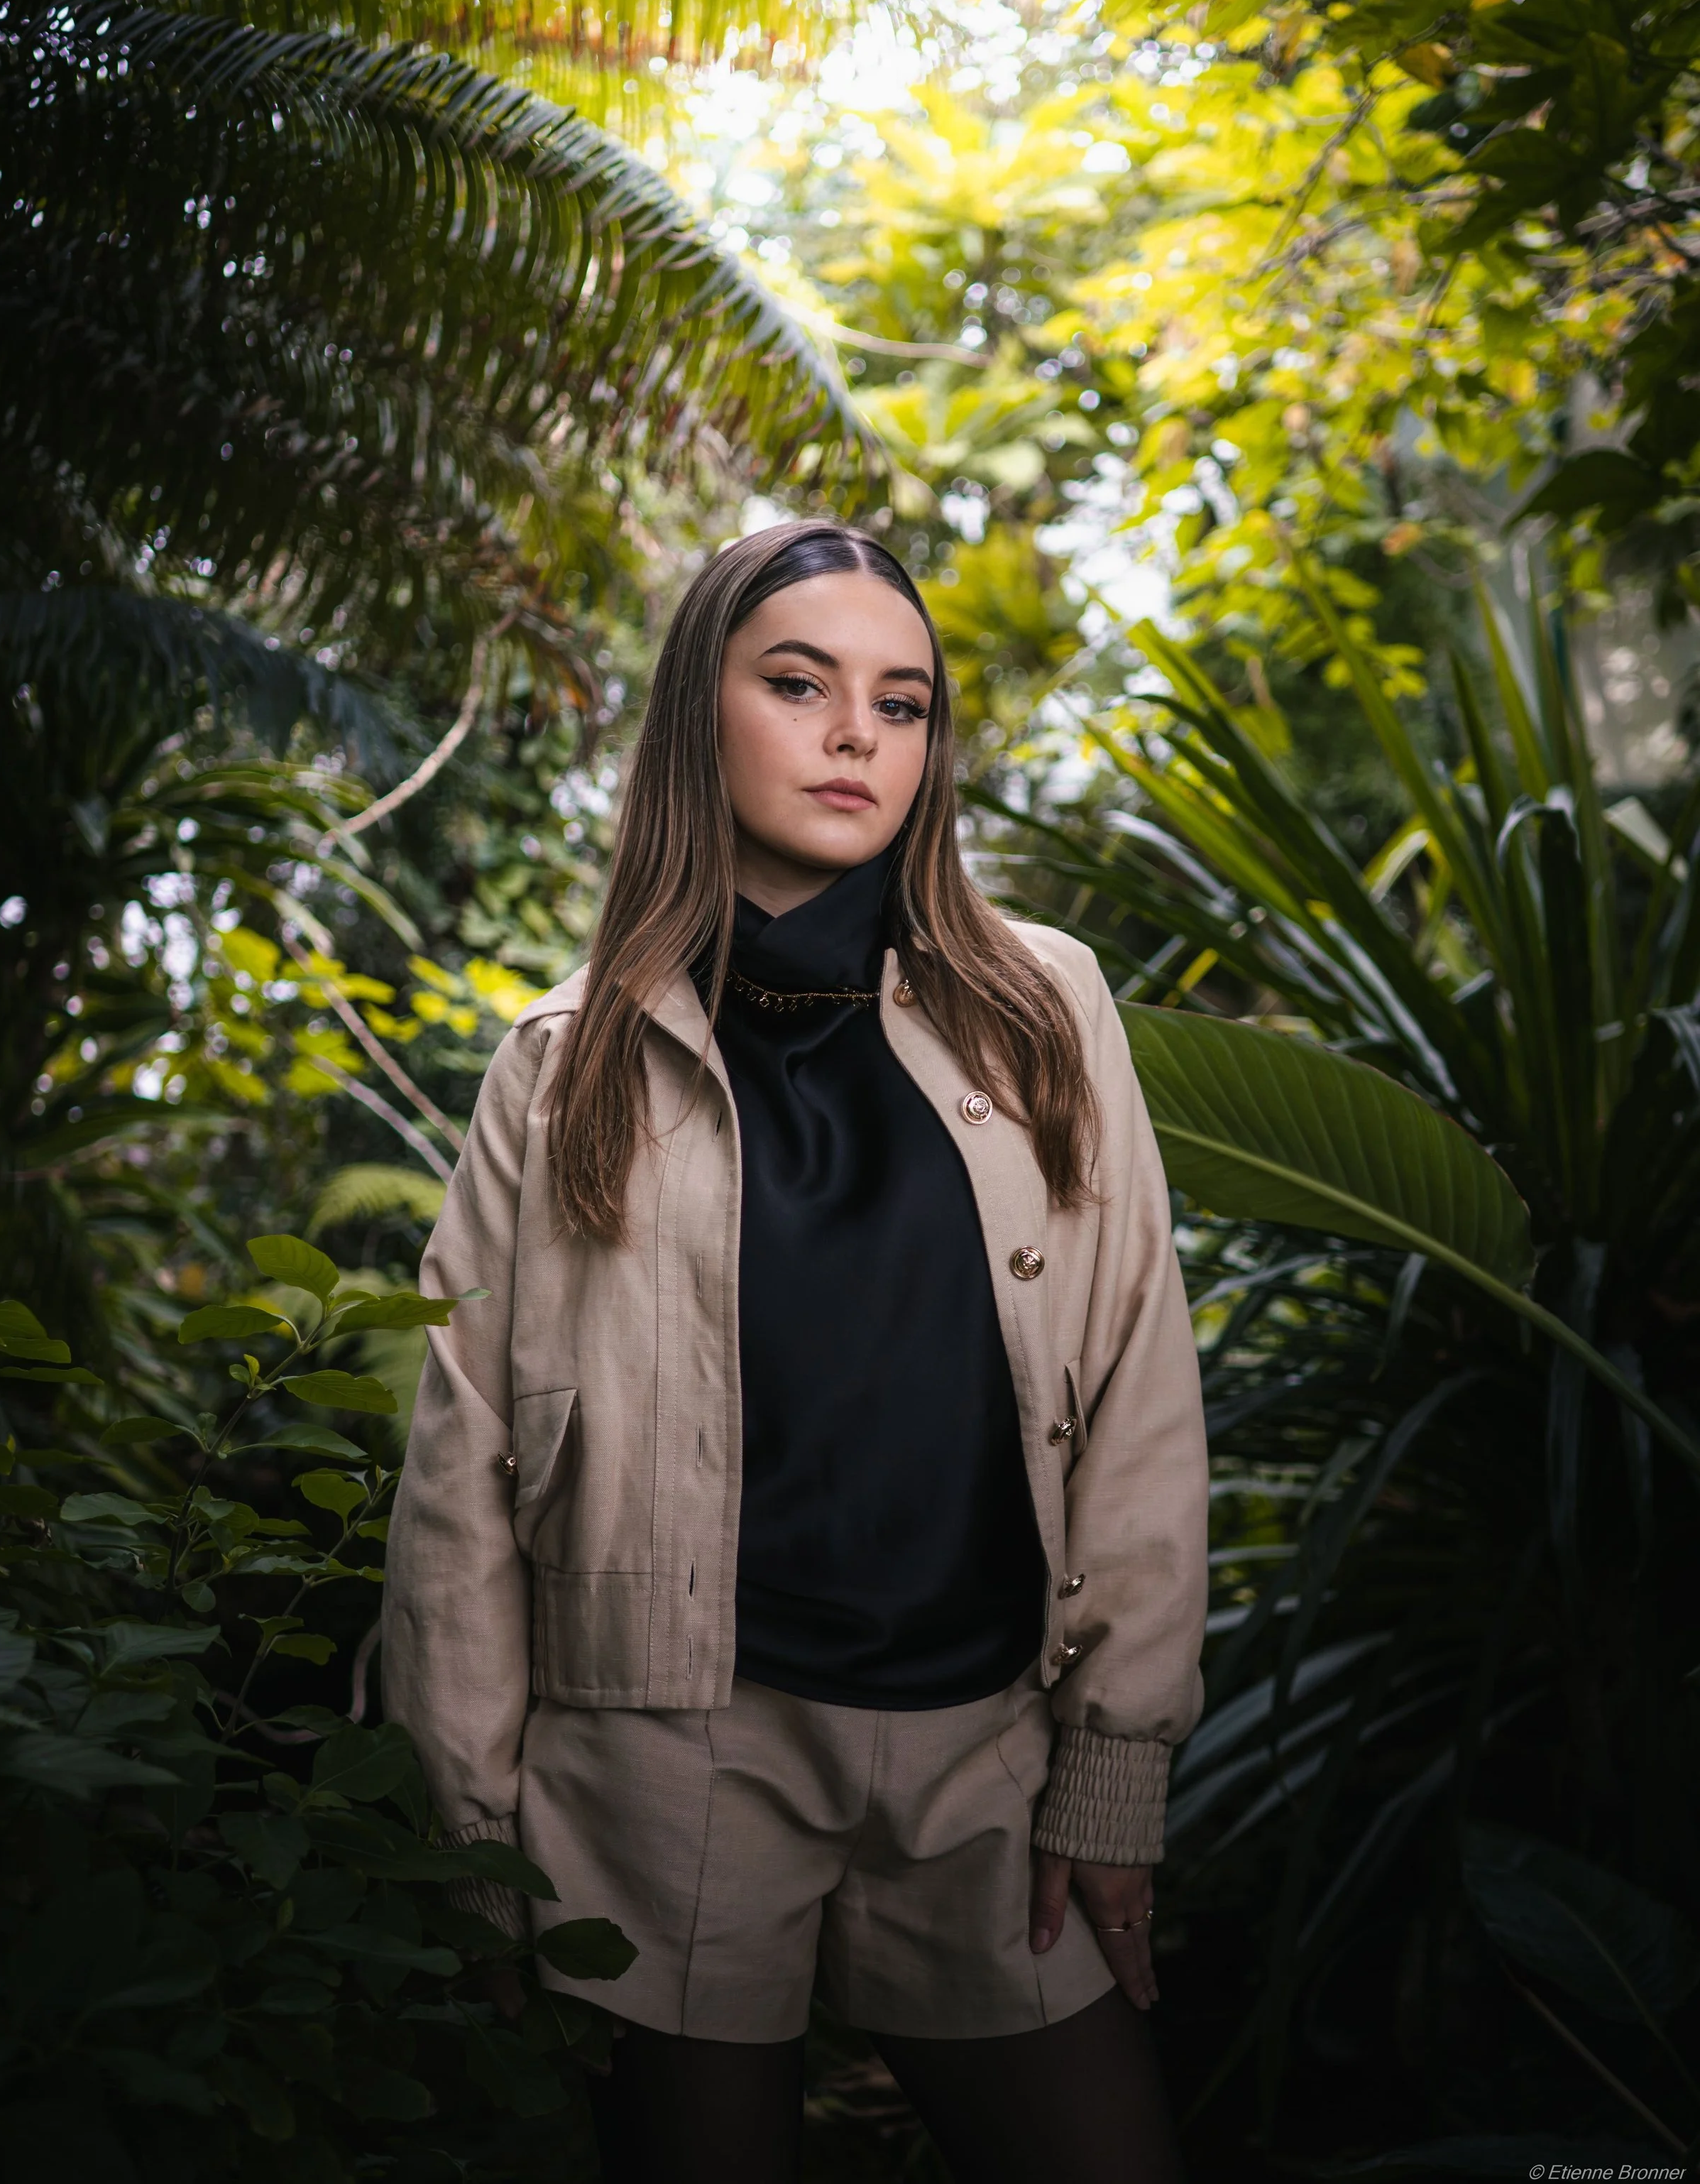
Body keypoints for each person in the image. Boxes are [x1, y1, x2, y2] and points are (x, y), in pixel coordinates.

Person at [383, 520, 1210, 2183]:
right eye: (798, 682)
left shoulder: (1043, 1005)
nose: (855, 734)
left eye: (900, 703)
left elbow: (1135, 1380)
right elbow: (458, 1477)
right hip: (670, 1755)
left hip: (987, 1738)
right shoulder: (562, 1067)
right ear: (702, 710)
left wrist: (1113, 1768)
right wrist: (469, 1844)